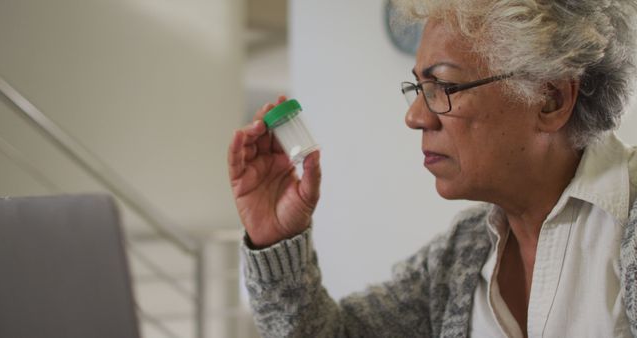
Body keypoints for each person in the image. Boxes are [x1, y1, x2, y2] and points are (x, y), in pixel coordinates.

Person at [228, 0, 637, 337]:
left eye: (443, 85)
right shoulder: (461, 253)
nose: (415, 117)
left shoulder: (625, 224)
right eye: (418, 88)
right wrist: (277, 240)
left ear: (550, 99)